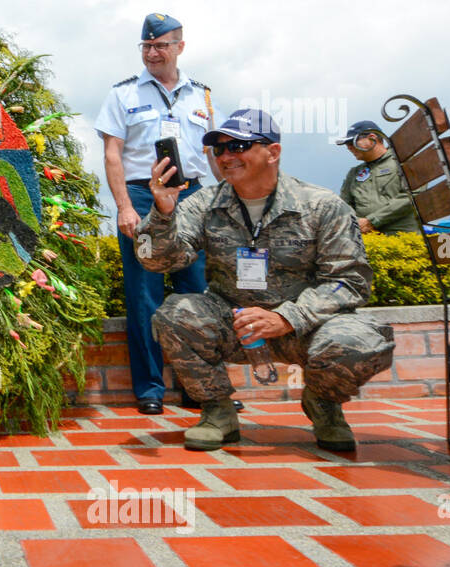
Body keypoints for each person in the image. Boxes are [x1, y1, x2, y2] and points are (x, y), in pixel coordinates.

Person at [138, 109, 395, 452]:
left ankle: (323, 403)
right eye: (219, 149)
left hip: (305, 328)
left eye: (238, 146)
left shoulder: (322, 205)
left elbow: (348, 281)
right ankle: (217, 411)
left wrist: (287, 317)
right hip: (236, 325)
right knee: (175, 313)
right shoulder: (203, 203)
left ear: (272, 152)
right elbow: (159, 262)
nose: (226, 156)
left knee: (358, 341)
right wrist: (163, 213)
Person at [94, 12, 216, 415]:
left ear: (180, 46)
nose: (153, 52)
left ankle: (199, 387)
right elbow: (112, 154)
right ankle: (149, 390)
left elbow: (212, 156)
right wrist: (124, 207)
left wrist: (229, 203)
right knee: (144, 296)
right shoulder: (123, 94)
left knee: (195, 294)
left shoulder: (203, 95)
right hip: (143, 198)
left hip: (193, 197)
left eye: (161, 44)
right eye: (147, 45)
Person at [337, 120, 420, 235]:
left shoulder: (404, 162)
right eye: (347, 144)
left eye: (352, 142)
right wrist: (355, 224)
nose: (349, 147)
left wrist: (372, 221)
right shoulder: (354, 173)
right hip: (365, 240)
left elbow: (412, 195)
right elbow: (344, 205)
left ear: (372, 138)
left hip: (401, 237)